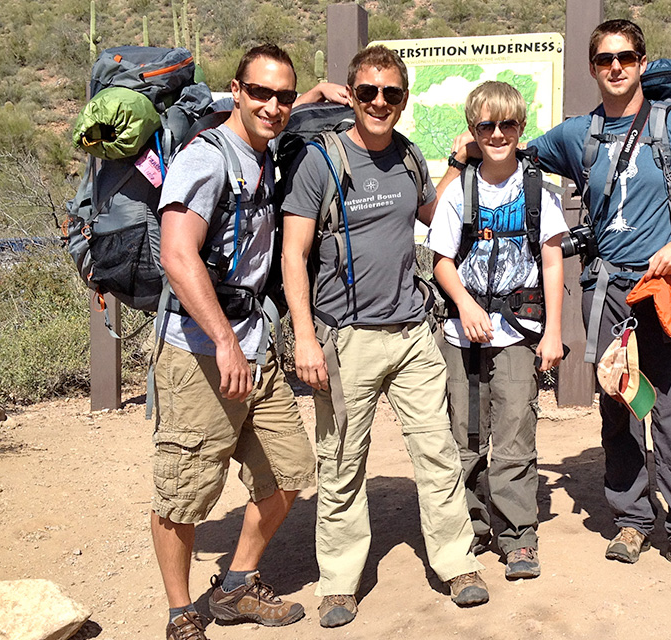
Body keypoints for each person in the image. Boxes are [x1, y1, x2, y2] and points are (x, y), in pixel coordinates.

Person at [281, 44, 488, 628]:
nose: (379, 102)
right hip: (345, 340)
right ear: (352, 93)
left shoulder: (408, 156)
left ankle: (457, 564)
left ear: (403, 98)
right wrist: (304, 336)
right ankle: (341, 581)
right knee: (342, 462)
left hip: (411, 331)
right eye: (367, 91)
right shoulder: (321, 161)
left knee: (438, 453)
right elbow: (294, 254)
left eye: (391, 93)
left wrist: (457, 160)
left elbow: (431, 214)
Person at [152, 45, 333, 640]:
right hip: (200, 351)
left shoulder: (264, 149)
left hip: (254, 344)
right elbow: (177, 256)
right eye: (261, 93)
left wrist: (312, 98)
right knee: (184, 491)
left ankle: (235, 586)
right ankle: (181, 614)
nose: (274, 106)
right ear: (236, 90)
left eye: (284, 96)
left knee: (289, 470)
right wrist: (225, 342)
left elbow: (282, 112)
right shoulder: (205, 158)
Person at [528, 19, 671, 579]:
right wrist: (472, 143)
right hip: (608, 292)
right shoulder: (576, 135)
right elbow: (514, 154)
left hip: (665, 289)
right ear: (592, 67)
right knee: (620, 406)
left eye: (627, 57)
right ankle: (633, 520)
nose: (617, 66)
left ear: (641, 61)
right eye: (606, 58)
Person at [427, 81, 567, 580]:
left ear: (521, 128)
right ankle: (471, 527)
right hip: (463, 334)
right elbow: (442, 260)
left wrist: (552, 331)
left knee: (514, 434)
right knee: (463, 436)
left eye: (508, 124)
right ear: (473, 131)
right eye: (487, 125)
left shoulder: (537, 191)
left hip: (518, 331)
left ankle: (518, 536)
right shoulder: (458, 192)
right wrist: (463, 304)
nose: (498, 134)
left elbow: (552, 261)